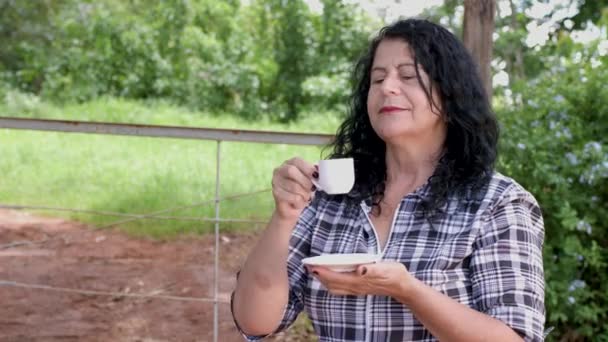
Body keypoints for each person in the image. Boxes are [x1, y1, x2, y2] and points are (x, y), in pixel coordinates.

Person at [231, 18, 545, 341]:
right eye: (377, 78)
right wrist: (284, 216)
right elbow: (255, 321)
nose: (387, 87)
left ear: (451, 96)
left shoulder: (498, 203)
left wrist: (406, 290)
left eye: (407, 76)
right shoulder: (330, 196)